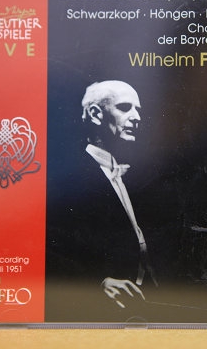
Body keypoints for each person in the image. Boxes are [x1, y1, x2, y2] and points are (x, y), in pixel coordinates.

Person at [45, 80, 156, 320]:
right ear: (96, 114)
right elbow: (48, 250)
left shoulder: (137, 177)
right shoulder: (69, 178)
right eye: (125, 107)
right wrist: (99, 283)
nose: (137, 117)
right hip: (102, 314)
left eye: (138, 110)